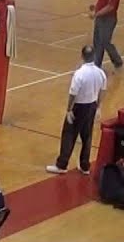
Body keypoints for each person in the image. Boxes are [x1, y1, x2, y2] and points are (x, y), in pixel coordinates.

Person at [46, 44, 107, 175]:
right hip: (92, 105)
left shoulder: (79, 74)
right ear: (94, 56)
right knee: (87, 135)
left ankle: (62, 164)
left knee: (69, 134)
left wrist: (69, 110)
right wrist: (98, 107)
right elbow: (103, 90)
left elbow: (73, 93)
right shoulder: (100, 73)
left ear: (82, 56)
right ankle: (85, 166)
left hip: (79, 107)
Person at [88, 0, 124, 71]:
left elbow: (111, 6)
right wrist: (96, 7)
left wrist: (96, 14)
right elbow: (105, 2)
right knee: (97, 41)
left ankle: (117, 61)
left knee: (105, 41)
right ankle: (96, 63)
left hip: (108, 19)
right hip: (101, 18)